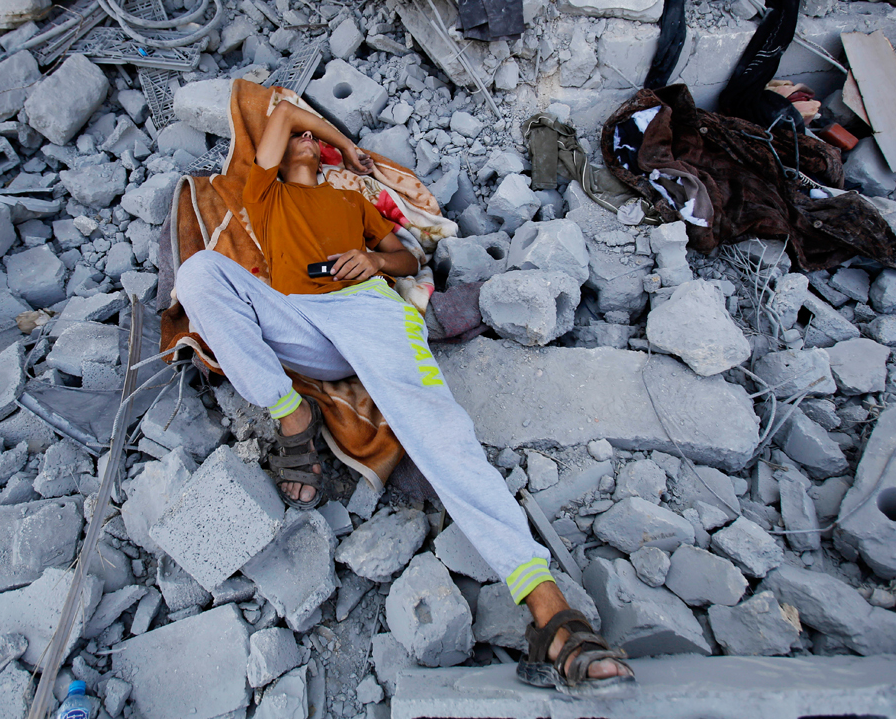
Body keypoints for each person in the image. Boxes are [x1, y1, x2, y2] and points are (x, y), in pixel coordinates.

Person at [173, 97, 633, 690]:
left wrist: (373, 259)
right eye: (296, 145)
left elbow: (410, 252)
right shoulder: (266, 195)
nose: (307, 146)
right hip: (294, 319)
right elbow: (282, 114)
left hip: (366, 313)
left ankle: (547, 608)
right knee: (198, 274)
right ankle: (291, 415)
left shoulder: (352, 199)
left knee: (438, 430)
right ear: (280, 157)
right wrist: (343, 141)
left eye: (317, 145)